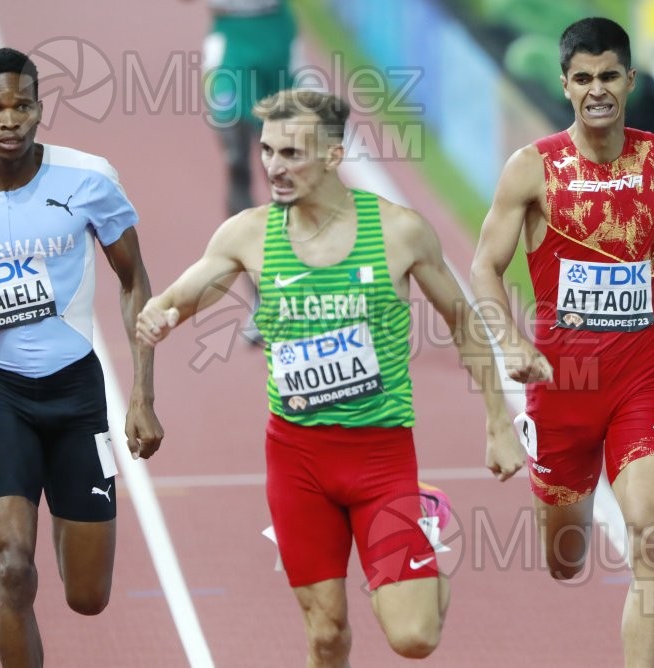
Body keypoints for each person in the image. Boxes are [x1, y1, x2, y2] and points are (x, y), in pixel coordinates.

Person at [137, 88, 523, 667]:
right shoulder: (248, 234)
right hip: (298, 461)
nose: (273, 166)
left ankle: (427, 518)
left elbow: (463, 323)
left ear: (333, 156)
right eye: (267, 151)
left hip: (382, 460)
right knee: (326, 633)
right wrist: (161, 313)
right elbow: (183, 294)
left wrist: (498, 421)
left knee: (413, 638)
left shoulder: (400, 232)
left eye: (291, 153)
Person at [469, 17, 654, 668]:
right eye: (583, 79)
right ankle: (559, 517)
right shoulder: (532, 169)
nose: (596, 90)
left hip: (639, 382)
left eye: (609, 77)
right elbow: (483, 267)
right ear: (566, 85)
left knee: (652, 537)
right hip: (560, 389)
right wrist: (511, 340)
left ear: (630, 80)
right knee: (564, 561)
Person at [0, 48, 164, 667]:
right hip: (0, 394)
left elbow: (133, 280)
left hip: (77, 395)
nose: (10, 119)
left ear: (40, 109)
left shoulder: (88, 180)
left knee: (87, 597)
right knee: (14, 569)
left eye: (22, 105)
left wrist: (143, 396)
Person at [188, 0, 297, 216]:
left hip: (276, 34)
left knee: (282, 155)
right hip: (231, 37)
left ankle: (289, 232)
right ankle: (242, 238)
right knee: (235, 148)